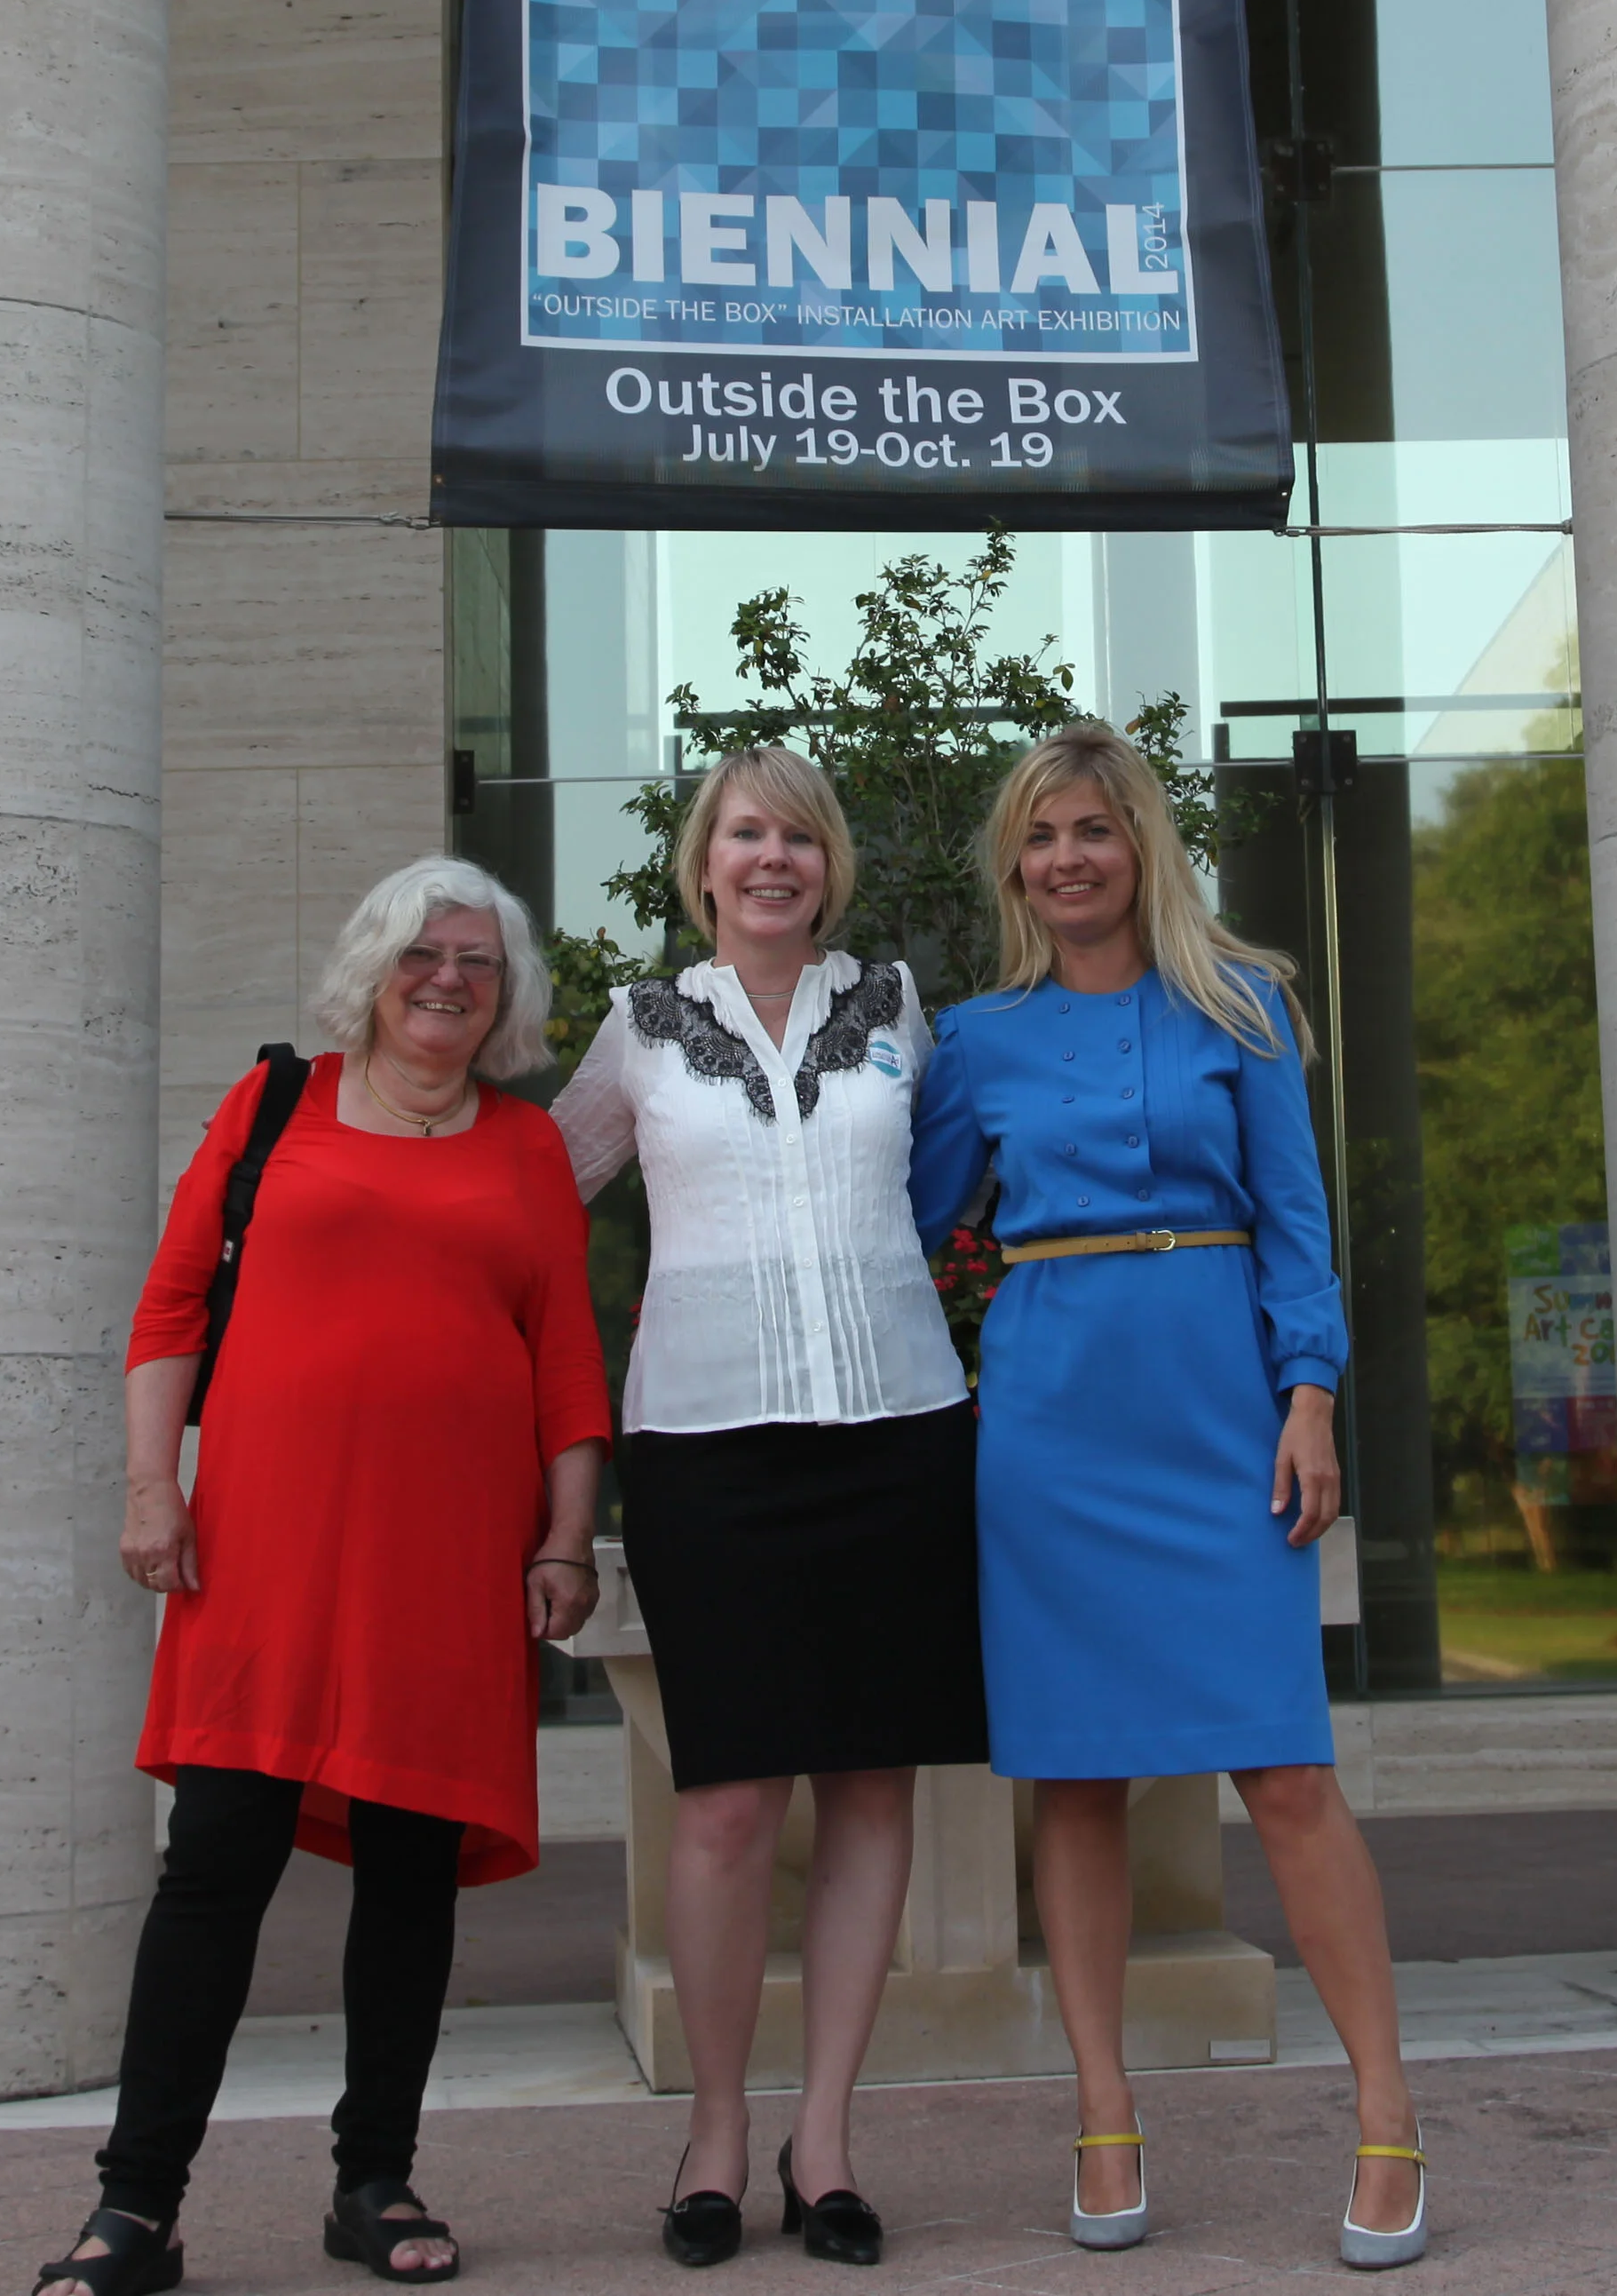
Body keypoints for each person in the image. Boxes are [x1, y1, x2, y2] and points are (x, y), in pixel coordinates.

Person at [33, 859, 612, 2296]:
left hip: (447, 1560)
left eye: (480, 960)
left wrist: (562, 1538)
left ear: (509, 992)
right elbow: (170, 1305)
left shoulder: (528, 1149)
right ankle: (136, 2210)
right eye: (425, 952)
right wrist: (152, 1487)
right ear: (374, 963)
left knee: (412, 1881)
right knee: (217, 1866)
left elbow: (566, 1365)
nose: (450, 979)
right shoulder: (273, 1104)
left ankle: (375, 2179)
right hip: (268, 1549)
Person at [908, 726, 1427, 2271]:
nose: (1069, 858)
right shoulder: (976, 1040)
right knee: (1071, 1779)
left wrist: (1313, 1397)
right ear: (1014, 866)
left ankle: (1389, 2115)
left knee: (1284, 1773)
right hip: (1052, 1420)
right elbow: (906, 1227)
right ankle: (1103, 2106)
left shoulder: (1245, 1005)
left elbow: (1295, 1227)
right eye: (1041, 837)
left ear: (1142, 846)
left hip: (1219, 1405)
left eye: (1096, 829)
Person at [552, 746, 985, 2268]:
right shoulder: (643, 1029)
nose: (774, 858)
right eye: (747, 833)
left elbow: (953, 1193)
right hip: (709, 1450)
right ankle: (719, 2136)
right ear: (705, 860)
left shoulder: (897, 1011)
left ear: (831, 863)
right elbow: (538, 1200)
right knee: (728, 1802)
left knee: (876, 1791)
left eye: (800, 835)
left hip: (901, 1437)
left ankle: (829, 2142)